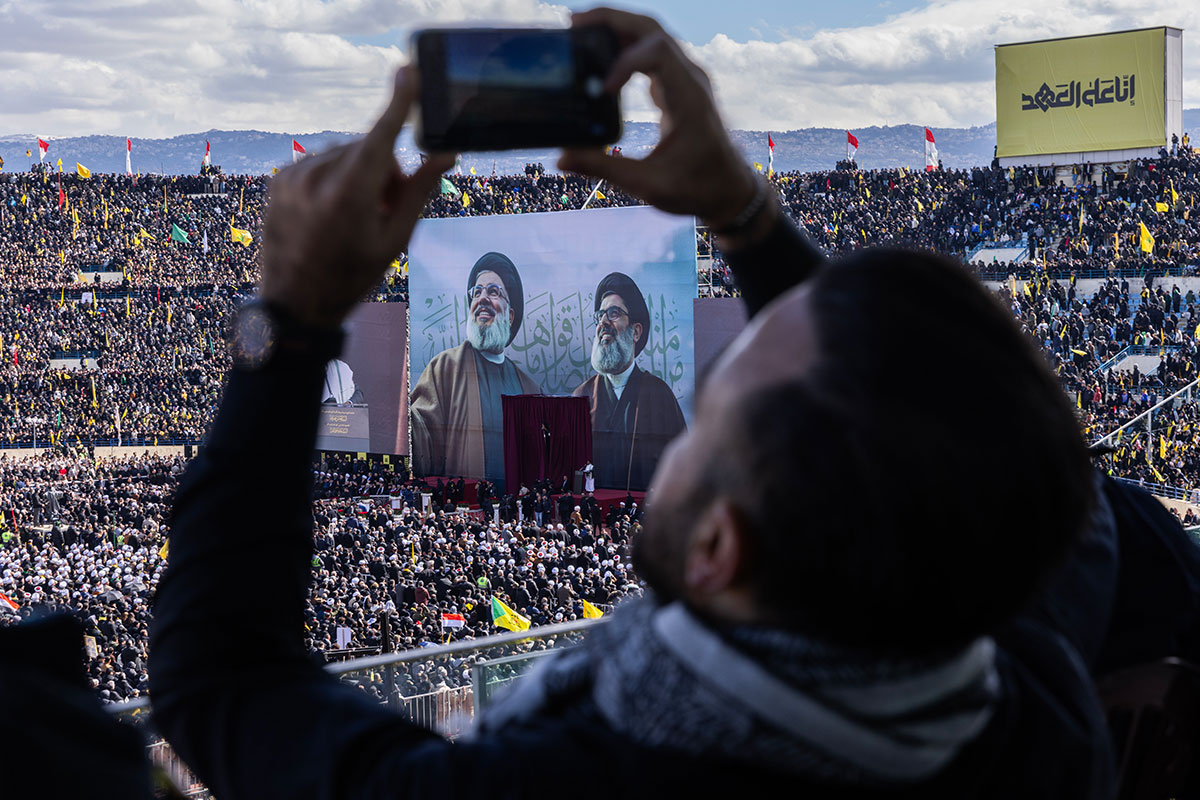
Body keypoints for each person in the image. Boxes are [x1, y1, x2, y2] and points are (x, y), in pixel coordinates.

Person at [150, 8, 1113, 798]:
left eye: (715, 400)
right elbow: (927, 437)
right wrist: (743, 213)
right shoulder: (1038, 702)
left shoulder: (556, 780)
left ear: (716, 549)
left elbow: (222, 678)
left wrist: (289, 323)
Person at [409, 251, 540, 482]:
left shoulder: (528, 387)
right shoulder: (444, 368)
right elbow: (421, 434)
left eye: (493, 291)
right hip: (466, 498)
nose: (482, 299)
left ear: (510, 316)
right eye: (477, 292)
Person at [573, 272, 686, 490]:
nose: (603, 322)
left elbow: (682, 466)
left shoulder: (659, 395)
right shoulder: (581, 396)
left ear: (636, 332)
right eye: (600, 315)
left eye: (613, 313)